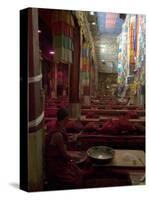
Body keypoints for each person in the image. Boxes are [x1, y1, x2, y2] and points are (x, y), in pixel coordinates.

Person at [46, 108, 85, 189]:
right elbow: (65, 154)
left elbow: (64, 141)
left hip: (61, 158)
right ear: (65, 118)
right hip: (56, 165)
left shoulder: (60, 126)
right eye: (68, 118)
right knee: (76, 180)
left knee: (79, 171)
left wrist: (72, 137)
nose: (69, 120)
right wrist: (77, 157)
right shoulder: (57, 134)